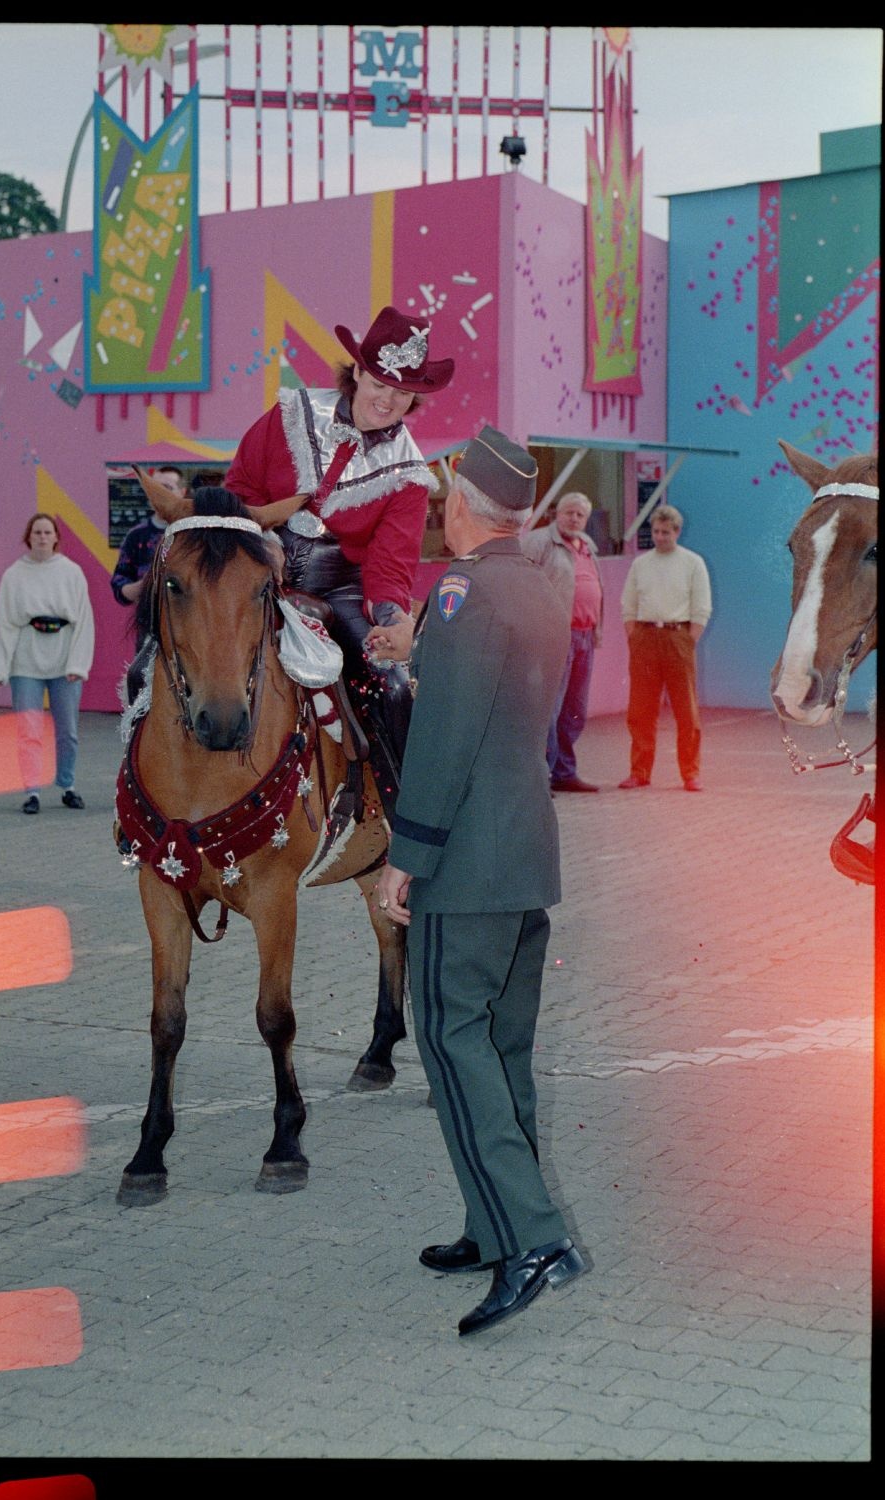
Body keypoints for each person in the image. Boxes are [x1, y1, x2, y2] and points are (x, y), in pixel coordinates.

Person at [375, 426, 586, 1338]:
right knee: (501, 1055)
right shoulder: (540, 585)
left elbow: (447, 741)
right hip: (525, 856)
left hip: (464, 867)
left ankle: (532, 1238)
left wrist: (405, 856)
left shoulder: (461, 591)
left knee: (454, 1048)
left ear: (461, 501)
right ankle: (492, 1223)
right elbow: (511, 713)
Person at [139, 305, 454, 818]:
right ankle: (139, 798)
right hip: (260, 570)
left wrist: (392, 617)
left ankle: (406, 822)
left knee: (392, 685)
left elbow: (389, 563)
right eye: (380, 383)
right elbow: (240, 489)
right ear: (358, 372)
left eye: (402, 393)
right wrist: (259, 547)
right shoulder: (290, 414)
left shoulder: (410, 473)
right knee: (149, 658)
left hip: (346, 589)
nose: (388, 400)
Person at [0, 514, 95, 814]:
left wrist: (78, 664)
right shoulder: (14, 575)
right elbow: (6, 624)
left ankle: (67, 785)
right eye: (37, 532)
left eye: (48, 532)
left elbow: (84, 622)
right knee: (28, 730)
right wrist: (0, 669)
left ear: (56, 537)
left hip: (64, 660)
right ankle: (32, 790)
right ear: (28, 536)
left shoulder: (71, 573)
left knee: (68, 730)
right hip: (26, 661)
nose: (43, 537)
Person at [619, 503, 712, 792]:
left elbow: (701, 607)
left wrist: (686, 639)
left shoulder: (692, 563)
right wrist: (635, 637)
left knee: (686, 710)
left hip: (678, 636)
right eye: (656, 531)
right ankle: (640, 771)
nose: (659, 537)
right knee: (641, 709)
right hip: (646, 637)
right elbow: (628, 605)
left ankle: (690, 773)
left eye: (665, 532)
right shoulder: (640, 564)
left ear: (677, 532)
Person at [521, 491, 604, 792]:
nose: (574, 518)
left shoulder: (588, 547)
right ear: (557, 512)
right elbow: (523, 587)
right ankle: (540, 778)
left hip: (585, 636)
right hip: (555, 637)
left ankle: (565, 773)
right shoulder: (538, 541)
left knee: (575, 709)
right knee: (550, 709)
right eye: (569, 512)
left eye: (580, 514)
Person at [111, 465, 188, 620]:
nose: (159, 494)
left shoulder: (193, 533)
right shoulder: (137, 535)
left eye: (166, 488)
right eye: (155, 487)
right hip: (149, 625)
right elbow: (120, 586)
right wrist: (143, 586)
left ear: (182, 492)